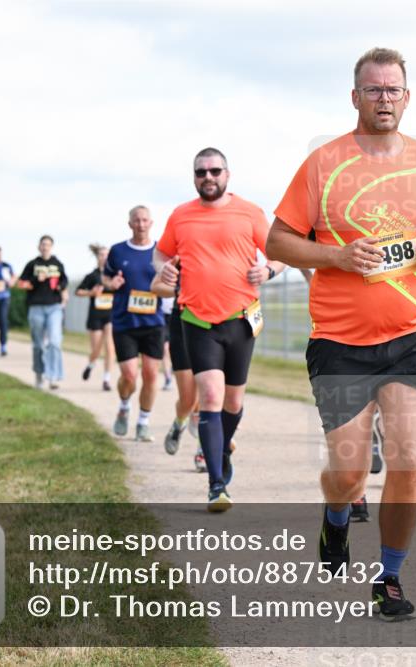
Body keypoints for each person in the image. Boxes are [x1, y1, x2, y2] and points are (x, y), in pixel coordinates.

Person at [266, 47, 416, 621]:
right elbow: (277, 241)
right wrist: (337, 256)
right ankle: (335, 518)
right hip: (340, 342)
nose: (384, 98)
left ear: (407, 97)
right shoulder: (324, 163)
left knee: (408, 456)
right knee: (349, 473)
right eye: (374, 89)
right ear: (355, 97)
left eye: (393, 89)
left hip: (412, 335)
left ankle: (390, 577)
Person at [152, 147, 286, 512]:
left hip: (241, 319)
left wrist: (268, 270)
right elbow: (160, 254)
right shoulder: (181, 215)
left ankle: (221, 450)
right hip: (196, 319)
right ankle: (216, 485)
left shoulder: (249, 212)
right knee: (209, 395)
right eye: (201, 172)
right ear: (194, 178)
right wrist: (164, 269)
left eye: (214, 171)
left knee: (233, 402)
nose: (208, 177)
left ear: (227, 174)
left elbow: (279, 253)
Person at [104, 206, 165, 442]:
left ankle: (143, 422)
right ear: (130, 224)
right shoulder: (118, 251)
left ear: (151, 223)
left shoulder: (161, 252)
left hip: (153, 322)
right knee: (129, 375)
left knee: (150, 375)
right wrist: (111, 283)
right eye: (136, 220)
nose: (141, 224)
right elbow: (106, 277)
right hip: (125, 323)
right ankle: (124, 406)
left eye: (145, 220)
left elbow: (172, 281)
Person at [159, 265, 206, 472]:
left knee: (210, 393)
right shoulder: (180, 253)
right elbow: (156, 286)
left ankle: (204, 450)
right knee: (188, 399)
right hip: (183, 323)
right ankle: (179, 424)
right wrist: (181, 289)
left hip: (218, 322)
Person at [17, 235, 69, 390]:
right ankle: (39, 375)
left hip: (54, 307)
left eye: (48, 244)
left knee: (54, 342)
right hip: (36, 307)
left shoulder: (58, 264)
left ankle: (53, 377)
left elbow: (64, 281)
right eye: (43, 244)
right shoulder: (32, 264)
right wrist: (35, 280)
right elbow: (20, 284)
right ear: (39, 247)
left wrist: (62, 289)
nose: (45, 247)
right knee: (38, 345)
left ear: (51, 247)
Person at [76, 244, 115, 391]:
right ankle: (91, 364)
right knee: (96, 350)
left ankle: (106, 379)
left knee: (110, 347)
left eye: (107, 255)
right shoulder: (92, 276)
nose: (104, 257)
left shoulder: (114, 275)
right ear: (97, 257)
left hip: (111, 315)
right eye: (101, 255)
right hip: (96, 315)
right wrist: (91, 293)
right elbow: (78, 291)